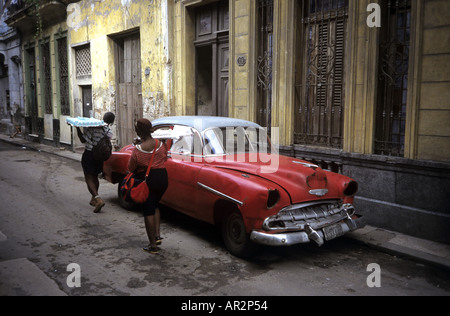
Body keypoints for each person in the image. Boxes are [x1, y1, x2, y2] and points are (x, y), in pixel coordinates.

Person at [128, 118, 169, 254]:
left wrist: (138, 146)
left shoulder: (138, 150)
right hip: (163, 178)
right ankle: (157, 235)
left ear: (139, 132)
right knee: (156, 204)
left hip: (148, 180)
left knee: (148, 211)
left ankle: (152, 245)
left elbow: (131, 167)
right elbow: (164, 158)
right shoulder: (161, 144)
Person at [76, 112, 115, 213]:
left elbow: (83, 140)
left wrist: (77, 128)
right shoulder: (109, 131)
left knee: (89, 177)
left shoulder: (93, 128)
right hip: (100, 157)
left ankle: (98, 199)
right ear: (112, 122)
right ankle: (94, 199)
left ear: (103, 118)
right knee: (95, 177)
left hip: (89, 155)